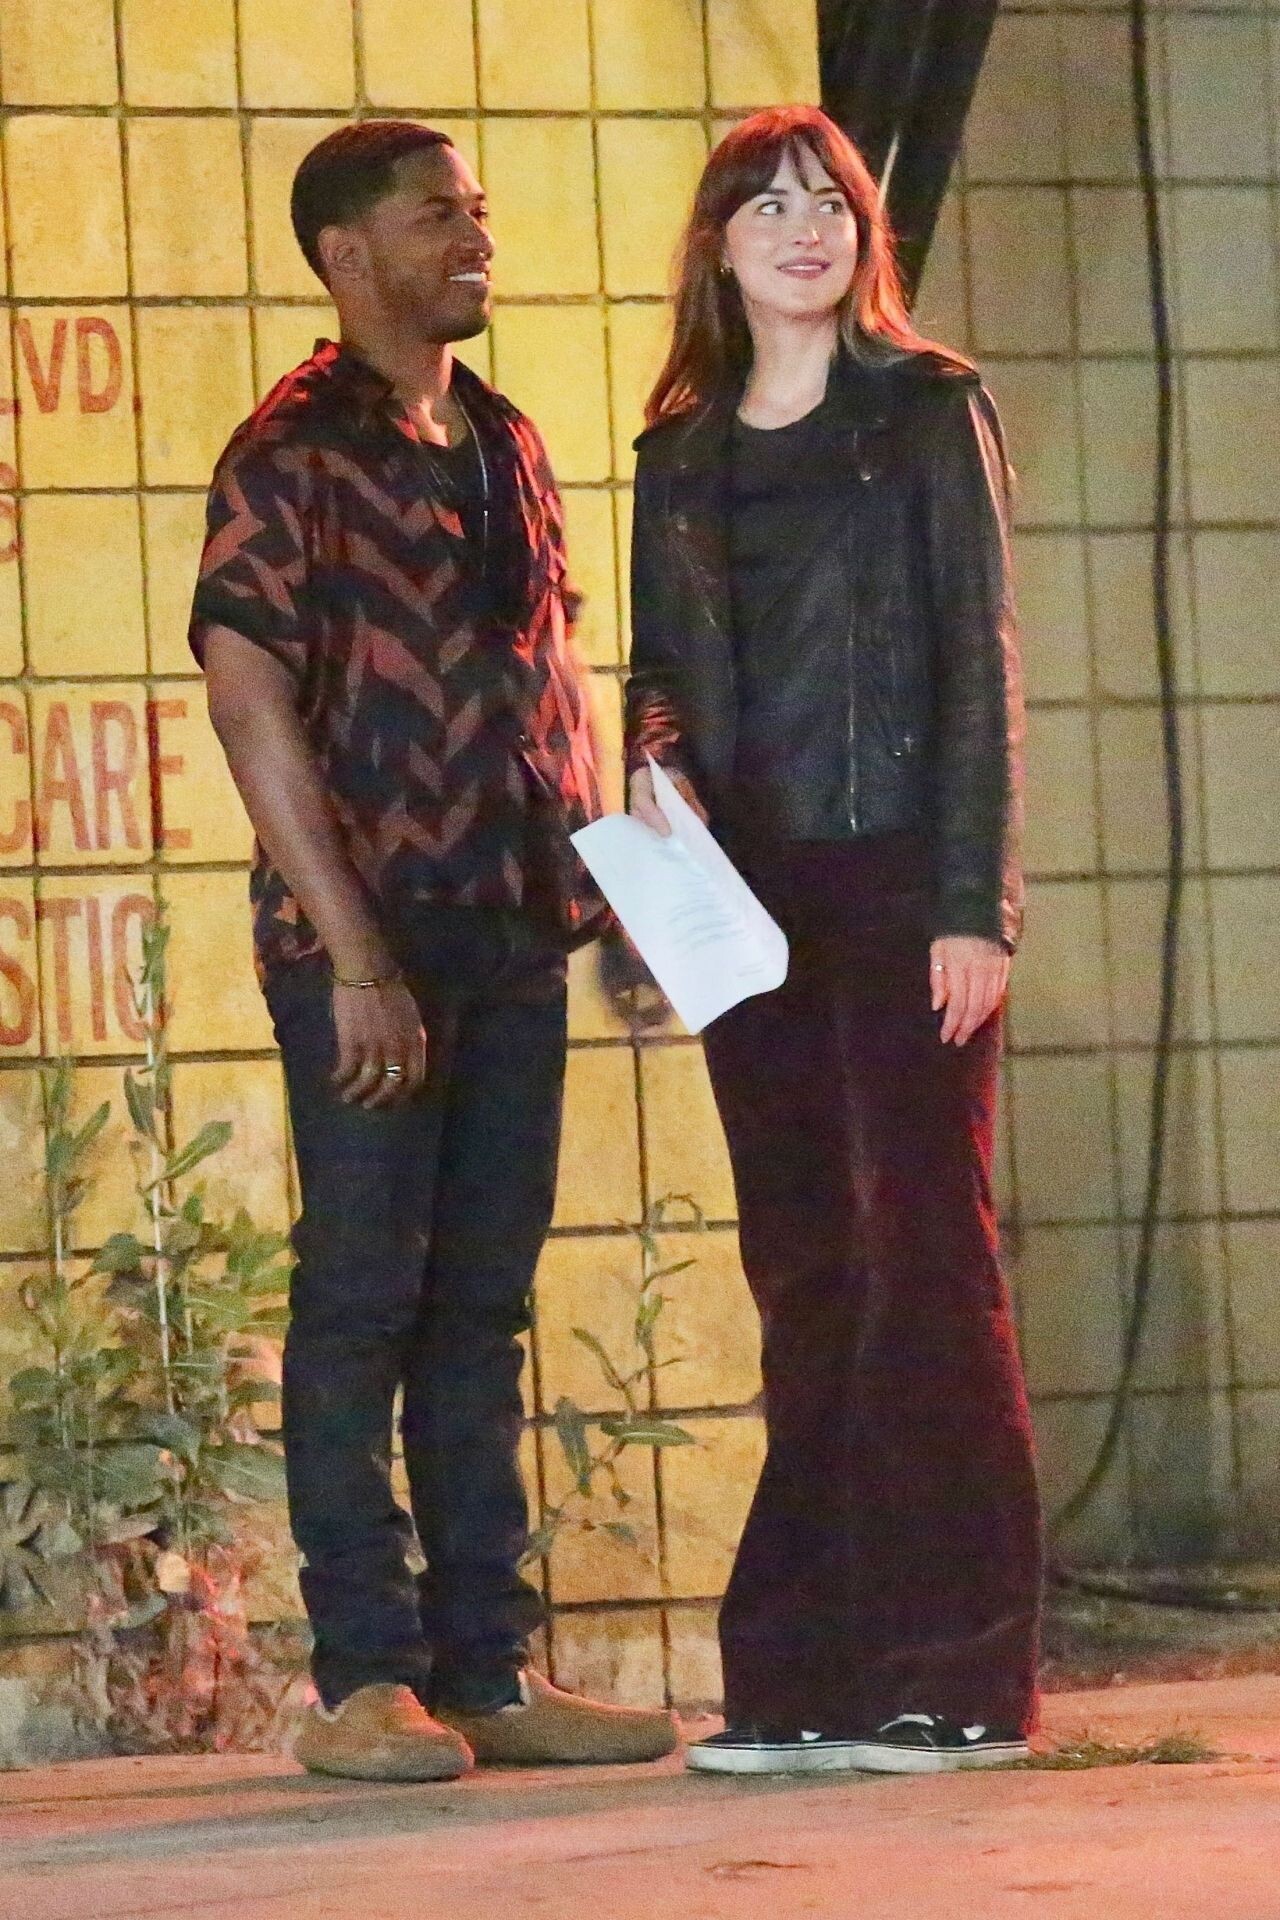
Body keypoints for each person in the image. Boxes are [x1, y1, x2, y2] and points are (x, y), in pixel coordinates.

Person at [191, 120, 678, 1781]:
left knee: (480, 1308)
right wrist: (355, 960)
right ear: (346, 255)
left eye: (477, 210)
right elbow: (249, 706)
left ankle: (490, 1670)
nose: (474, 235)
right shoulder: (289, 452)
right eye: (433, 216)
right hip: (368, 953)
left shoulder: (506, 436)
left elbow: (552, 681)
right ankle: (364, 1684)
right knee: (361, 1302)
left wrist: (612, 893)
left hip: (512, 931)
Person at [626, 105, 1042, 1776]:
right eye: (769, 206)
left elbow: (979, 660)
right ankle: (801, 1673)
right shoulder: (678, 454)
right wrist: (654, 766)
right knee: (803, 1263)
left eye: (831, 204)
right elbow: (661, 668)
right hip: (752, 905)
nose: (805, 229)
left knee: (924, 1256)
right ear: (719, 249)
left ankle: (959, 1676)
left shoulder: (928, 411)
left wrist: (973, 905)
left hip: (899, 885)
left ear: (865, 238)